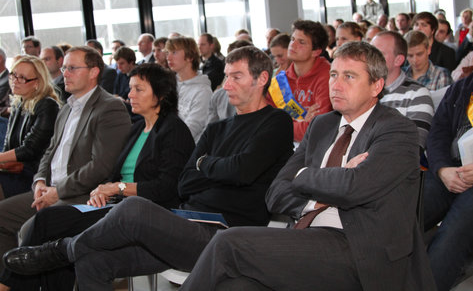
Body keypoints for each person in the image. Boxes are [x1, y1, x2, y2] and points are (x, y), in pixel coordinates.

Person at [3, 46, 294, 291]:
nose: (226, 84)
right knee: (93, 260)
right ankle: (68, 250)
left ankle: (61, 249)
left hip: (226, 233)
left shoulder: (276, 122)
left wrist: (205, 164)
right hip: (186, 223)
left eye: (236, 77)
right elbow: (186, 182)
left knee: (133, 208)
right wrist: (212, 169)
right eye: (227, 76)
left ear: (261, 78)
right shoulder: (217, 128)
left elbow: (241, 171)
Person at [175, 41, 435, 291]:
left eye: (349, 77)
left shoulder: (396, 129)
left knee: (228, 243)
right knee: (233, 285)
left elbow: (354, 187)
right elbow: (275, 193)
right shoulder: (323, 125)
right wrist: (316, 198)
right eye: (333, 74)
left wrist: (305, 177)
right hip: (307, 237)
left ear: (376, 85)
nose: (336, 84)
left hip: (360, 249)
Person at [1, 63, 195, 291]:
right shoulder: (137, 129)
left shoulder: (174, 130)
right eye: (130, 88)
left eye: (138, 89)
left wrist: (117, 188)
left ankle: (7, 286)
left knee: (51, 226)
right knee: (48, 220)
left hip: (147, 213)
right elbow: (112, 175)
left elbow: (167, 188)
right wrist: (101, 191)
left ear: (161, 95)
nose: (129, 94)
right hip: (115, 206)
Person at [0, 46, 131, 274]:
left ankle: (17, 283)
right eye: (64, 68)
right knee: (2, 215)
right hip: (50, 190)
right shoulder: (67, 107)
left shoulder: (109, 108)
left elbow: (100, 167)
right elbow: (49, 152)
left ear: (93, 72)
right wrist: (40, 183)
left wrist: (58, 191)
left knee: (32, 229)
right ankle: (15, 279)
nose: (64, 74)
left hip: (83, 196)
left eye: (72, 68)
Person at [423, 66, 473, 291]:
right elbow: (438, 132)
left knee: (456, 227)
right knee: (409, 208)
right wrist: (442, 169)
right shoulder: (463, 86)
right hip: (450, 170)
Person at [0, 56, 60, 200]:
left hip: (35, 177)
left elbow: (30, 149)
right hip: (15, 170)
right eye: (14, 75)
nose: (15, 81)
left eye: (22, 78)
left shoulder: (47, 105)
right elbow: (8, 145)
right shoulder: (18, 103)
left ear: (37, 83)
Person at [268, 20, 332, 143]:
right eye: (292, 39)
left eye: (301, 42)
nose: (293, 45)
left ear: (316, 51)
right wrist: (302, 122)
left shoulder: (328, 77)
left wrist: (284, 126)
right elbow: (268, 125)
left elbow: (317, 130)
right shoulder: (279, 81)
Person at [371, 31, 434, 150]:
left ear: (398, 60)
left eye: (378, 53)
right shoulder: (362, 92)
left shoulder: (417, 94)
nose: (369, 58)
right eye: (369, 52)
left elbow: (412, 147)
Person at [166, 36, 212, 142]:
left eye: (174, 52)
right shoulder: (170, 85)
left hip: (186, 149)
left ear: (190, 56)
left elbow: (190, 130)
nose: (168, 58)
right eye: (168, 53)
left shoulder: (203, 91)